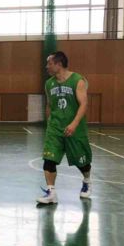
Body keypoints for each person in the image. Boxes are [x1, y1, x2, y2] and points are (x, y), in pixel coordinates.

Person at [37, 51, 92, 205]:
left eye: (49, 63)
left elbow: (84, 104)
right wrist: (49, 124)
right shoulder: (49, 84)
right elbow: (49, 105)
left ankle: (87, 180)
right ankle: (51, 193)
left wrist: (74, 124)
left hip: (75, 128)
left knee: (82, 162)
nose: (47, 66)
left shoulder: (77, 80)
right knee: (49, 159)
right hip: (55, 128)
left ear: (59, 64)